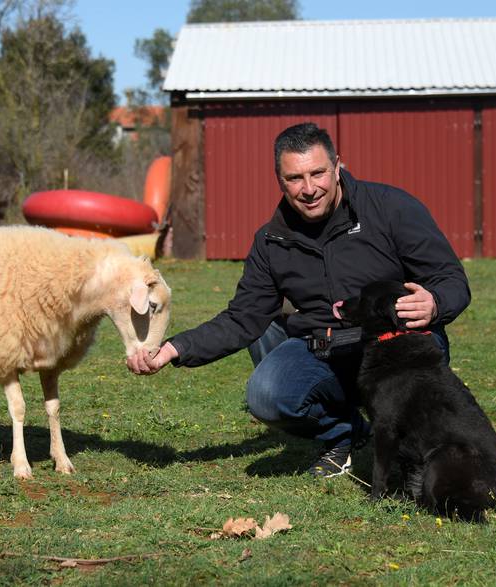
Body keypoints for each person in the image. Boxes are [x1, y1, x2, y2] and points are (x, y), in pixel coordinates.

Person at [127, 122, 470, 478]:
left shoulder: (391, 209)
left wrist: (435, 302)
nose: (309, 189)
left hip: (399, 348)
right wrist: (173, 349)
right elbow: (243, 317)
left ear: (337, 167)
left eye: (318, 173)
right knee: (266, 391)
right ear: (279, 179)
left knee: (414, 443)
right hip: (330, 348)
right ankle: (344, 434)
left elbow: (452, 279)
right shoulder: (272, 240)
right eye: (294, 178)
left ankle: (412, 436)